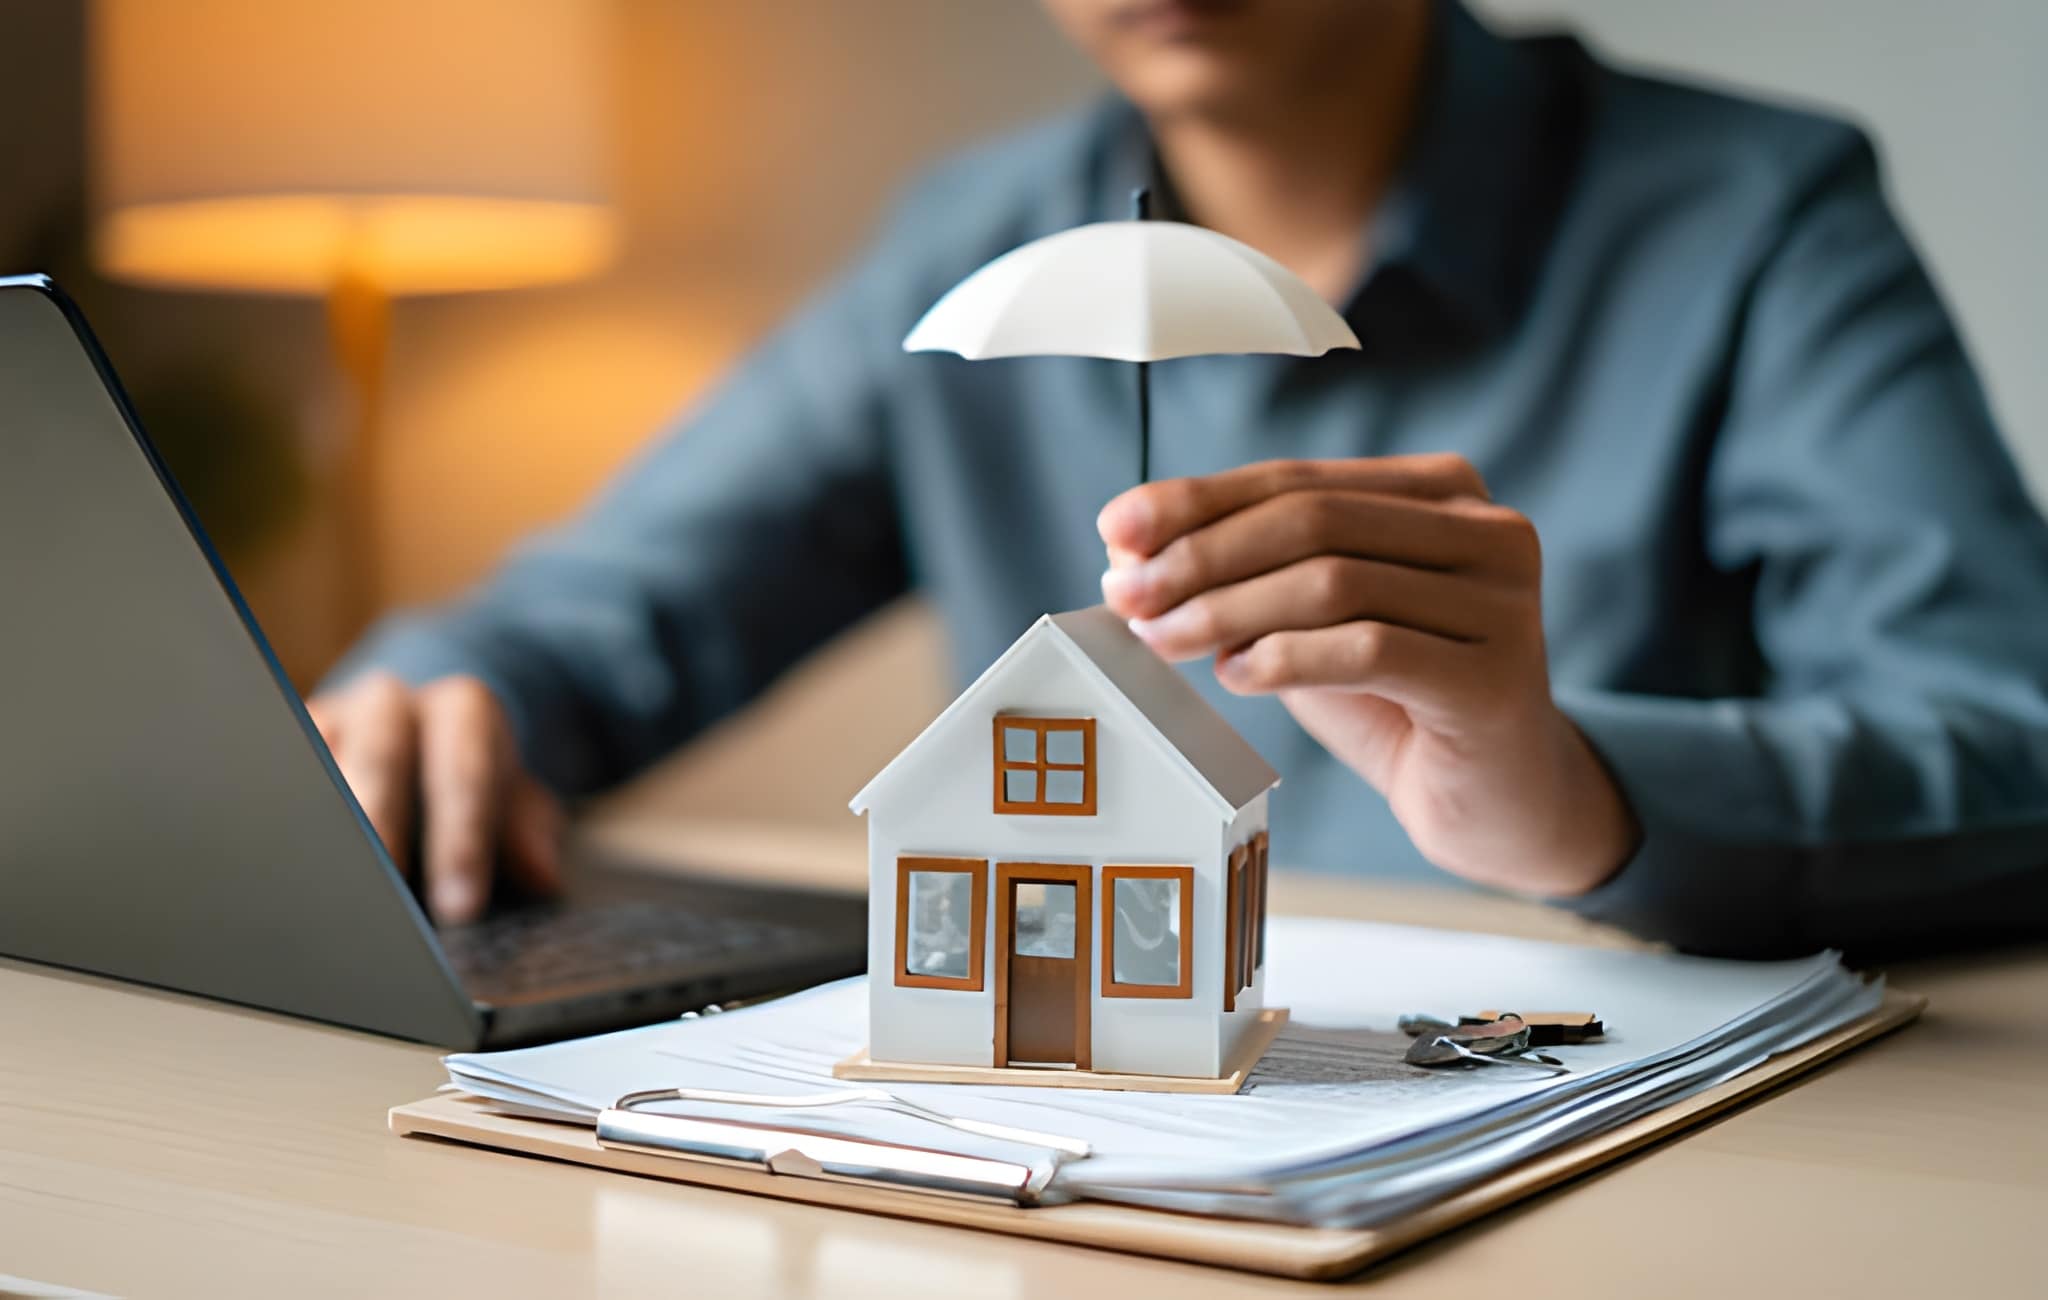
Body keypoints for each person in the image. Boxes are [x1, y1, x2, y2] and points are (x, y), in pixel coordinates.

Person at [312, 0, 2048, 957]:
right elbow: (607, 611)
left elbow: (2016, 734)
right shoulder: (967, 244)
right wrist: (437, 707)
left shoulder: (1751, 220)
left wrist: (1576, 792)